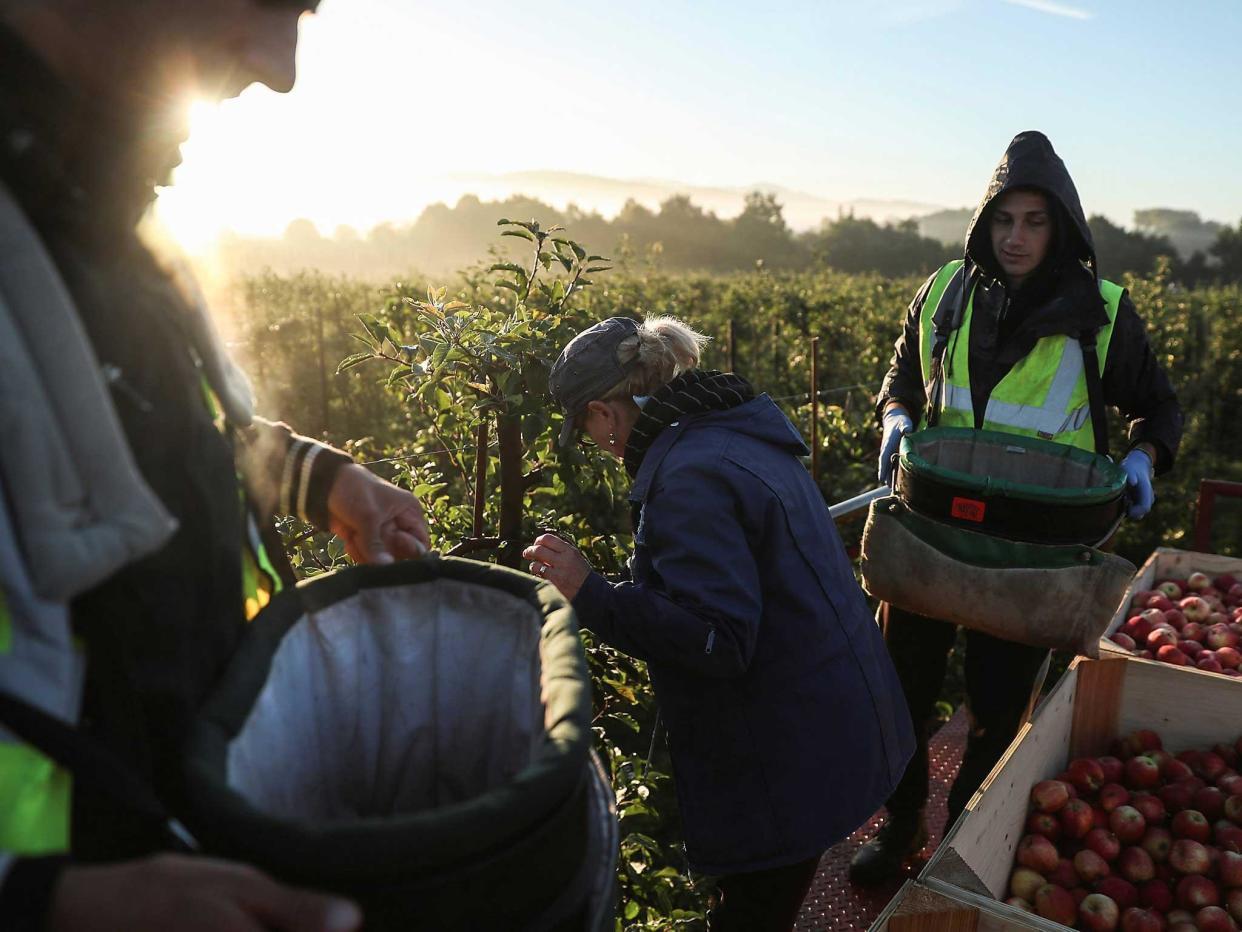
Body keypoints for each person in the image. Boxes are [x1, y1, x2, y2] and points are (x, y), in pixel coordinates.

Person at [0, 2, 430, 929]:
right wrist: (43, 903)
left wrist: (316, 478)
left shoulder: (103, 219)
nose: (281, 66)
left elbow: (146, 429)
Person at [849, 131, 1183, 885]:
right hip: (933, 534)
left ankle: (956, 845)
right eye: (1004, 221)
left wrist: (1143, 456)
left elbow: (1158, 407)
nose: (1017, 237)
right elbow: (904, 370)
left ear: (1061, 225)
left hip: (1028, 556)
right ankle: (901, 826)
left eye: (1035, 221)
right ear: (984, 223)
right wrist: (895, 414)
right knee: (900, 693)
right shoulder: (942, 294)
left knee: (997, 710)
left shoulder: (1102, 314)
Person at [523, 316, 914, 931]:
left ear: (604, 411)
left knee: (754, 913)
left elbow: (718, 640)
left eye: (587, 428)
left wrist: (590, 593)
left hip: (784, 756)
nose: (597, 444)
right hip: (828, 722)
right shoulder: (728, 427)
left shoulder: (687, 477)